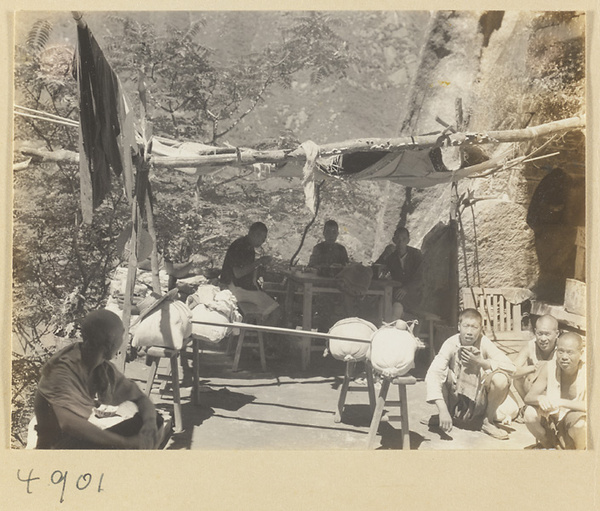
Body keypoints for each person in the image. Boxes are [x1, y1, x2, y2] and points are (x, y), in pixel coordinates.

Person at [34, 309, 161, 449]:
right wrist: (124, 442)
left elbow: (140, 398)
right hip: (56, 448)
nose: (124, 340)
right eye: (122, 335)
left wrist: (149, 424)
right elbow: (68, 424)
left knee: (155, 420)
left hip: (77, 441)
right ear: (111, 342)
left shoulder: (102, 368)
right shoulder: (63, 368)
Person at [424, 308, 516, 440]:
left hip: (478, 398)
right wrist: (442, 409)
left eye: (474, 327)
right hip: (454, 396)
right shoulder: (451, 343)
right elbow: (434, 373)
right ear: (459, 326)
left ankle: (487, 421)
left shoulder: (484, 342)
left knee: (501, 379)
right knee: (443, 372)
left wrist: (481, 362)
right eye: (466, 326)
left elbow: (511, 367)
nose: (469, 332)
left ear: (480, 329)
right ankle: (446, 416)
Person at [523, 332, 586, 449]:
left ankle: (580, 454)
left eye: (570, 352)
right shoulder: (550, 367)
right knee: (529, 413)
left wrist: (560, 401)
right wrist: (540, 398)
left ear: (581, 353)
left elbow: (593, 406)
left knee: (580, 424)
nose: (564, 357)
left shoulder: (589, 371)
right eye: (560, 351)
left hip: (574, 423)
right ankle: (547, 445)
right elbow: (528, 398)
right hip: (552, 420)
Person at [219, 221, 280, 324]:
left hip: (239, 287)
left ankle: (260, 333)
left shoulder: (246, 245)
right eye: (263, 238)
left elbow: (247, 270)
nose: (263, 241)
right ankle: (266, 337)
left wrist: (259, 269)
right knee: (276, 311)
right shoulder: (241, 246)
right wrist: (259, 262)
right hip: (234, 289)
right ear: (255, 234)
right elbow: (238, 273)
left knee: (268, 297)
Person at [375, 226, 423, 320]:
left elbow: (420, 277)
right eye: (397, 239)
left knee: (396, 305)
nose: (400, 242)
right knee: (383, 302)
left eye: (404, 239)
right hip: (397, 291)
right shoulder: (391, 256)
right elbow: (376, 270)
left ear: (408, 240)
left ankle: (395, 322)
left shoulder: (416, 255)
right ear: (394, 240)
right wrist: (384, 255)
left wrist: (406, 288)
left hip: (414, 292)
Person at [512, 314, 559, 400]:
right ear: (535, 331)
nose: (543, 338)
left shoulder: (561, 347)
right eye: (540, 334)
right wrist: (534, 368)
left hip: (554, 390)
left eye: (547, 334)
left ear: (556, 334)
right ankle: (527, 404)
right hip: (533, 391)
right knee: (518, 378)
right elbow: (512, 370)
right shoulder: (531, 346)